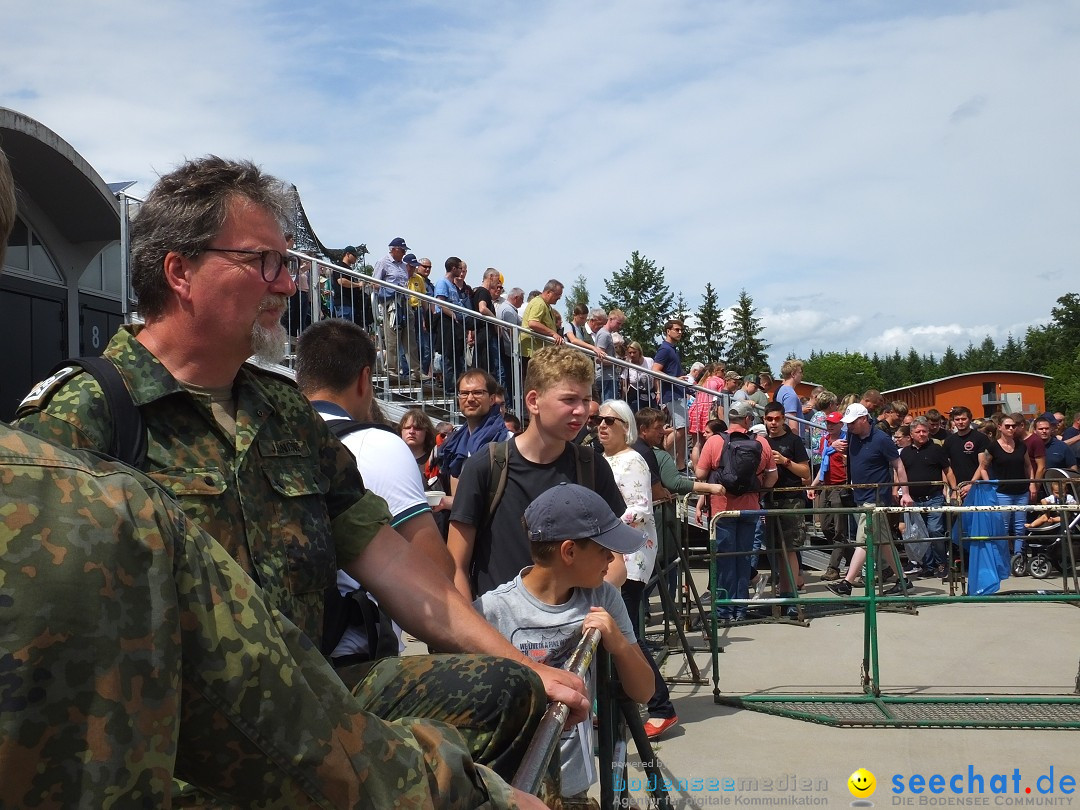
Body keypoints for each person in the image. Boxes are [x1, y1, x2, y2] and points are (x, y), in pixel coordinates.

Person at [0, 146, 542, 810]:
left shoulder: (285, 411)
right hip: (175, 738)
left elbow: (392, 563)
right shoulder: (85, 413)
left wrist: (518, 663)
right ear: (180, 271)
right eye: (264, 263)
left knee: (505, 693)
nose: (288, 284)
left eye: (286, 263)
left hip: (308, 707)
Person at [474, 483, 653, 802]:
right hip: (509, 790)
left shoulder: (603, 598)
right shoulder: (492, 612)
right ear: (569, 552)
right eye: (603, 550)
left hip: (573, 788)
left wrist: (619, 646)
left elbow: (644, 691)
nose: (612, 560)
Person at [448, 345, 625, 598]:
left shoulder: (592, 467)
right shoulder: (486, 467)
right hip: (499, 631)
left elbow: (616, 561)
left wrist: (585, 604)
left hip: (575, 630)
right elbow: (455, 566)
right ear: (533, 401)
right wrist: (472, 633)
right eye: (569, 399)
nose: (581, 411)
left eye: (586, 400)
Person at [595, 399, 679, 739]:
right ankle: (613, 705)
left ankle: (661, 707)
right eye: (598, 420)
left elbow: (639, 509)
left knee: (626, 634)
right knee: (614, 632)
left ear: (626, 427)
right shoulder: (604, 460)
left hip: (629, 556)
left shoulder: (632, 460)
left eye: (610, 421)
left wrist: (601, 524)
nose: (601, 426)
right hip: (609, 554)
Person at [694, 401, 777, 621]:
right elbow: (772, 477)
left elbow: (701, 473)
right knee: (743, 559)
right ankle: (740, 610)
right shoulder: (761, 443)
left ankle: (723, 611)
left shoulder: (714, 442)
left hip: (722, 510)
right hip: (750, 508)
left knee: (723, 560)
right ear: (749, 419)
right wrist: (758, 493)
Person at [826, 403, 915, 597]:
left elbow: (898, 465)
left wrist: (905, 492)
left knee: (864, 539)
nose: (848, 426)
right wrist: (833, 445)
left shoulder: (882, 439)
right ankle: (903, 580)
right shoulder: (852, 435)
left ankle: (847, 583)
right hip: (860, 495)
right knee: (883, 541)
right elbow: (837, 443)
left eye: (852, 423)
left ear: (864, 419)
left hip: (876, 498)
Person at [762, 401, 811, 610]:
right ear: (764, 420)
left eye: (777, 419)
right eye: (769, 419)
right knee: (776, 550)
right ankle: (783, 595)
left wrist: (785, 461)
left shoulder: (794, 441)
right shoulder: (761, 442)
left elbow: (806, 474)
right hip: (769, 500)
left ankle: (790, 597)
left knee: (790, 549)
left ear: (783, 419)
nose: (773, 423)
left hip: (791, 499)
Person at [899, 416, 957, 578]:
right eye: (918, 431)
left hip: (934, 497)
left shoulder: (936, 449)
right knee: (919, 535)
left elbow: (948, 471)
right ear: (911, 434)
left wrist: (954, 490)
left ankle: (941, 564)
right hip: (913, 499)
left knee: (935, 530)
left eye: (925, 431)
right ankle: (928, 566)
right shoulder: (905, 452)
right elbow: (899, 473)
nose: (922, 434)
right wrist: (896, 491)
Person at [975, 415, 1039, 555]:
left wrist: (1032, 484)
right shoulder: (993, 447)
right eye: (1007, 426)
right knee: (1003, 525)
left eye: (1013, 426)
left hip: (1021, 491)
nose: (1011, 428)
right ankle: (1003, 555)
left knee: (1020, 526)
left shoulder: (1021, 445)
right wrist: (989, 484)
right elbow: (983, 467)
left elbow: (1028, 466)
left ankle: (1018, 555)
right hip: (1002, 492)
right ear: (1000, 427)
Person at [442, 369, 515, 490]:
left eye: (477, 393)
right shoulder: (456, 445)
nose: (470, 398)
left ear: (491, 399)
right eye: (464, 393)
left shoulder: (508, 441)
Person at [808, 410, 852, 581]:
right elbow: (823, 465)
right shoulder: (825, 441)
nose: (830, 426)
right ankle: (854, 557)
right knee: (826, 527)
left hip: (840, 487)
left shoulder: (845, 440)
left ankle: (833, 568)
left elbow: (848, 462)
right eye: (828, 423)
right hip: (826, 486)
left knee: (839, 530)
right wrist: (813, 485)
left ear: (842, 424)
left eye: (834, 423)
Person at [371, 236, 412, 380]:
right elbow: (375, 283)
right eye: (402, 250)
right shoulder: (383, 262)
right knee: (392, 338)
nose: (404, 253)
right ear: (393, 249)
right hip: (390, 304)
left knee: (409, 338)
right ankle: (391, 368)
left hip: (404, 302)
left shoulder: (402, 265)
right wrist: (390, 290)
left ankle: (414, 369)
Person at [653, 319, 688, 469]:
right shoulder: (665, 349)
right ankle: (656, 456)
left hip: (677, 393)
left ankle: (681, 466)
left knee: (683, 429)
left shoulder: (672, 349)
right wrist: (676, 379)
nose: (680, 332)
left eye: (681, 330)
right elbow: (654, 370)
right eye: (677, 329)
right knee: (681, 428)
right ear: (668, 331)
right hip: (672, 394)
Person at [435, 256, 471, 391]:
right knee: (449, 357)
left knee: (457, 358)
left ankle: (456, 387)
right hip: (447, 322)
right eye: (460, 268)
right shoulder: (442, 283)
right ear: (453, 268)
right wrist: (454, 316)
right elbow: (440, 302)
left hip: (456, 324)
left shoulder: (453, 285)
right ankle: (449, 389)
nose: (461, 271)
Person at [519, 279, 564, 378]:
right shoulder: (539, 303)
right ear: (548, 292)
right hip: (531, 352)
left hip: (538, 353)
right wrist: (553, 333)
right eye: (558, 294)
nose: (559, 297)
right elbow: (533, 323)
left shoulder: (546, 305)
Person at [945, 405, 991, 500]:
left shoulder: (981, 438)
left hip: (977, 487)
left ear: (970, 419)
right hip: (956, 490)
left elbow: (982, 465)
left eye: (963, 419)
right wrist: (953, 489)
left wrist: (971, 484)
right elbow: (946, 467)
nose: (960, 422)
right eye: (957, 419)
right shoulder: (949, 441)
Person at [400, 405, 441, 486]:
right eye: (407, 427)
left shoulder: (435, 461)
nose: (411, 431)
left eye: (417, 428)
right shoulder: (393, 459)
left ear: (427, 432)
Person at [621, 340, 654, 412]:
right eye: (630, 353)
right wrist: (623, 399)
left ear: (639, 351)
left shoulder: (649, 361)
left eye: (634, 352)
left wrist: (658, 392)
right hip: (635, 396)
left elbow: (656, 378)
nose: (632, 355)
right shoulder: (628, 364)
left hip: (650, 395)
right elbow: (624, 384)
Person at [775, 359, 805, 437]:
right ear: (793, 374)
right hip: (793, 438)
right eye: (800, 372)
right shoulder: (790, 394)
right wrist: (795, 443)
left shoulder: (782, 389)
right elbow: (791, 420)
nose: (802, 375)